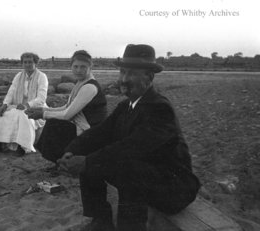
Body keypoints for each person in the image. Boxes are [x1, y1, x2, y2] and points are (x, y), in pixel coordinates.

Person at [57, 44, 201, 231]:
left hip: (174, 188)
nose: (124, 79)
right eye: (122, 72)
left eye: (131, 73)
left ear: (148, 77)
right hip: (147, 177)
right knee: (97, 157)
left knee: (123, 165)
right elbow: (100, 132)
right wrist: (72, 151)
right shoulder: (126, 106)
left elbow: (132, 147)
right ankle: (101, 221)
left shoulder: (159, 108)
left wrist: (86, 161)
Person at [26, 50, 107, 164]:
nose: (78, 70)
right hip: (85, 128)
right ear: (71, 67)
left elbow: (67, 114)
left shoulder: (90, 87)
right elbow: (66, 107)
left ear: (90, 67)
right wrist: (43, 109)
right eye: (76, 66)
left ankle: (62, 162)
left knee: (54, 124)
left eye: (83, 67)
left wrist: (43, 114)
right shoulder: (81, 83)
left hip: (92, 132)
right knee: (54, 122)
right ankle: (60, 163)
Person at [0, 52, 48, 155]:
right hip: (18, 104)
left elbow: (41, 98)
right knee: (1, 114)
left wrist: (27, 105)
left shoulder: (42, 76)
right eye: (25, 62)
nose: (27, 65)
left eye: (30, 62)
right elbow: (11, 92)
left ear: (35, 63)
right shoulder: (19, 76)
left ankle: (22, 147)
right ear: (22, 63)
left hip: (36, 107)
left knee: (23, 115)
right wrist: (4, 104)